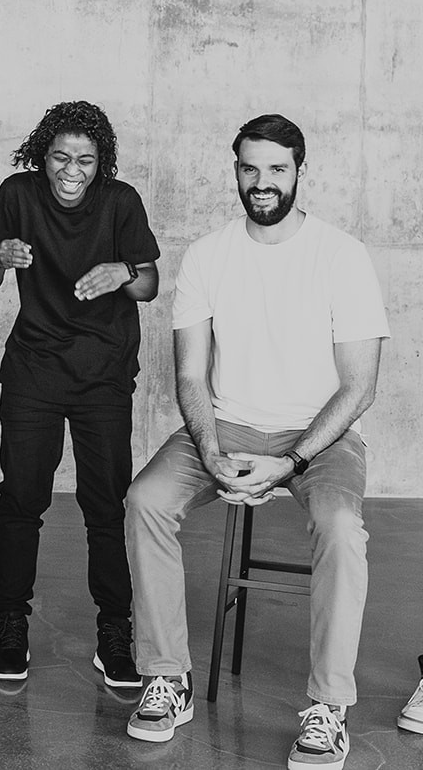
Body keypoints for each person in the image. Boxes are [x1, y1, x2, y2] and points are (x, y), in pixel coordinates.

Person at [123, 114, 385, 770]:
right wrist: (210, 454)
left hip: (320, 436)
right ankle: (168, 677)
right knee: (147, 499)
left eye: (275, 168)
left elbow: (358, 387)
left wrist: (290, 460)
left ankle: (328, 707)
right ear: (235, 171)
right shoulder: (210, 254)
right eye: (249, 168)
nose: (261, 181)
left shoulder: (341, 255)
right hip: (228, 425)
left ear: (300, 171)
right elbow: (189, 373)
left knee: (342, 525)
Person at [0, 101, 159, 687]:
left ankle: (114, 631)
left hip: (103, 373)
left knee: (105, 505)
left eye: (85, 159)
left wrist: (122, 274)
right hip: (34, 369)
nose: (71, 170)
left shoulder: (120, 202)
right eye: (60, 157)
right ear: (41, 156)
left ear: (100, 162)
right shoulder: (17, 195)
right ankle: (11, 625)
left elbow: (150, 283)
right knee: (21, 499)